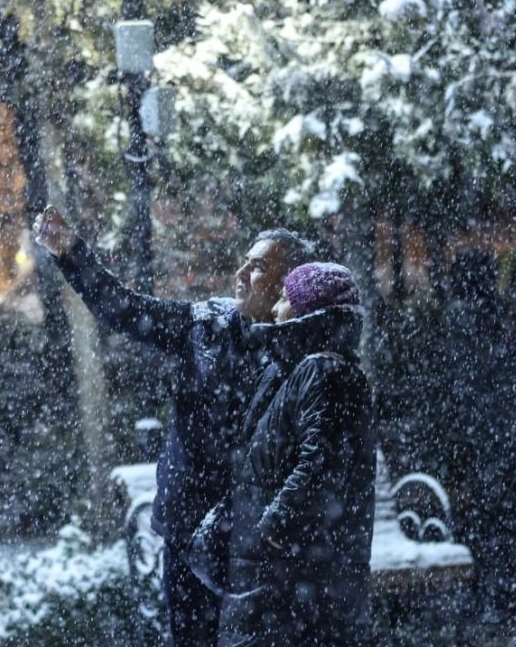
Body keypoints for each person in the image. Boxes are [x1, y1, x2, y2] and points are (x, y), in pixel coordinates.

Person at [32, 205, 314, 645]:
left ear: (287, 282)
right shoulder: (205, 324)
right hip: (188, 530)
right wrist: (71, 253)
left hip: (257, 542)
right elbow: (123, 309)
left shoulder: (301, 353)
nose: (240, 273)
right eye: (244, 260)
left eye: (258, 267)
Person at [198, 262, 375, 647]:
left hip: (287, 577)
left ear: (306, 310)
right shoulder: (298, 368)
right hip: (280, 575)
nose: (276, 306)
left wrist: (274, 529)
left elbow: (322, 461)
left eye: (284, 298)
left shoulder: (321, 368)